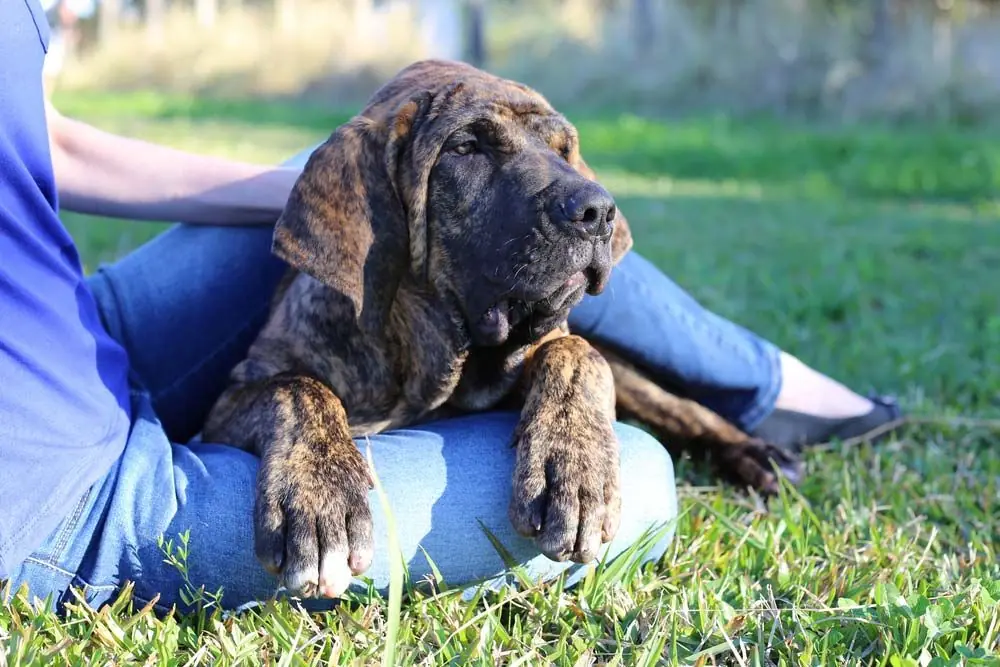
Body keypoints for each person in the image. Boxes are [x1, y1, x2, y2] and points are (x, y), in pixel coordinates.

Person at [0, 0, 903, 614]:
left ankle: (762, 389)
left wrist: (313, 188)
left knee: (469, 196)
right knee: (642, 479)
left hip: (76, 331)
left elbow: (47, 142)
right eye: (476, 151)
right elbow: (251, 395)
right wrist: (303, 415)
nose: (583, 189)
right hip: (57, 485)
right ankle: (762, 394)